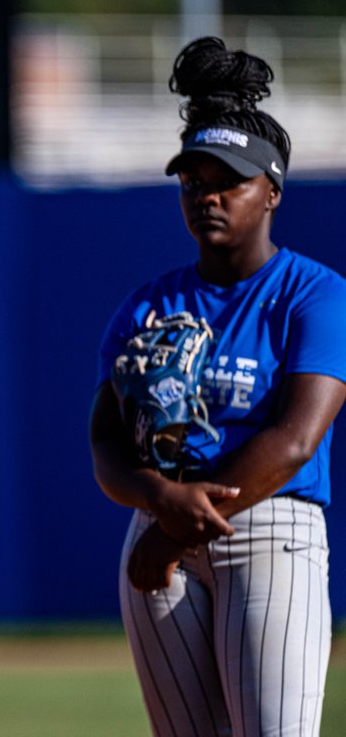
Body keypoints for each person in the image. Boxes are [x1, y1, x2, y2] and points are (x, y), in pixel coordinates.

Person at [90, 36, 346, 737]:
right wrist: (157, 502)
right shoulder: (149, 304)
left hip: (268, 526)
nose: (207, 194)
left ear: (271, 191)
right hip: (157, 530)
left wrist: (171, 527)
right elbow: (106, 438)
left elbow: (293, 441)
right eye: (193, 179)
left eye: (227, 179)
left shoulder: (314, 295)